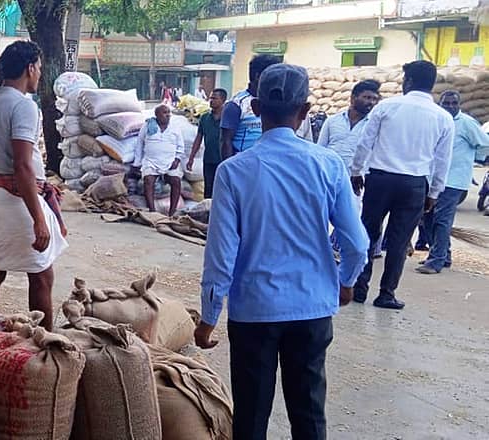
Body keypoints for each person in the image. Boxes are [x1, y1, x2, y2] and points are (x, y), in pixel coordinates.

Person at [195, 63, 368, 440]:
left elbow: (221, 253)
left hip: (254, 312)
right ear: (305, 111)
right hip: (312, 308)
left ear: (255, 109)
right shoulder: (329, 165)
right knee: (308, 414)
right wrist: (346, 281)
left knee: (251, 416)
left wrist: (208, 315)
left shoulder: (233, 171)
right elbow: (356, 242)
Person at [0, 40, 68, 331]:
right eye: (38, 68)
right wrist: (39, 219)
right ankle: (45, 343)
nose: (39, 74)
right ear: (30, 68)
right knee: (41, 276)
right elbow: (23, 166)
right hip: (19, 200)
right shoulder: (23, 106)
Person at [349, 60, 454, 309]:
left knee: (368, 232)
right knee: (399, 240)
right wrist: (435, 192)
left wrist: (356, 171)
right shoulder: (443, 117)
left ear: (407, 82)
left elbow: (365, 143)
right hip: (414, 184)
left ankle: (359, 287)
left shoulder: (387, 106)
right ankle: (386, 294)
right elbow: (442, 161)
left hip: (380, 179)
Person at [415, 90, 489, 274]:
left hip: (454, 180)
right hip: (433, 178)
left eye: (453, 103)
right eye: (446, 103)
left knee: (442, 219)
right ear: (440, 104)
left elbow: (484, 143)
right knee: (427, 218)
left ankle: (436, 261)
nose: (449, 107)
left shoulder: (466, 124)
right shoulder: (436, 120)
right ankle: (442, 255)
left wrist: (473, 159)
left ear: (459, 105)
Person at [221, 55, 282, 160]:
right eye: (273, 76)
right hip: (244, 166)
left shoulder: (277, 102)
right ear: (258, 76)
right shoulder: (236, 104)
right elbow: (226, 142)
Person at [133, 105, 185, 216]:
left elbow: (181, 146)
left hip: (170, 161)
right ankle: (152, 211)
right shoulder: (148, 126)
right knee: (148, 181)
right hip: (151, 161)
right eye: (164, 112)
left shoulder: (175, 127)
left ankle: (172, 212)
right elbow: (139, 144)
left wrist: (177, 160)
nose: (168, 115)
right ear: (157, 115)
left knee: (176, 181)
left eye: (169, 112)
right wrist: (137, 162)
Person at [318, 80, 381, 171]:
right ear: (353, 98)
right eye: (367, 97)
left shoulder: (374, 125)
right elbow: (321, 149)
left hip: (357, 179)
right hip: (330, 174)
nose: (371, 102)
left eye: (374, 99)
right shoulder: (332, 121)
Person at [188, 88, 227, 198]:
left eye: (214, 98)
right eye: (210, 98)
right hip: (209, 159)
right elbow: (198, 138)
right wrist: (191, 158)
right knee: (208, 190)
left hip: (224, 159)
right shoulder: (205, 118)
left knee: (223, 190)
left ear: (223, 100)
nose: (211, 100)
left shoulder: (228, 117)